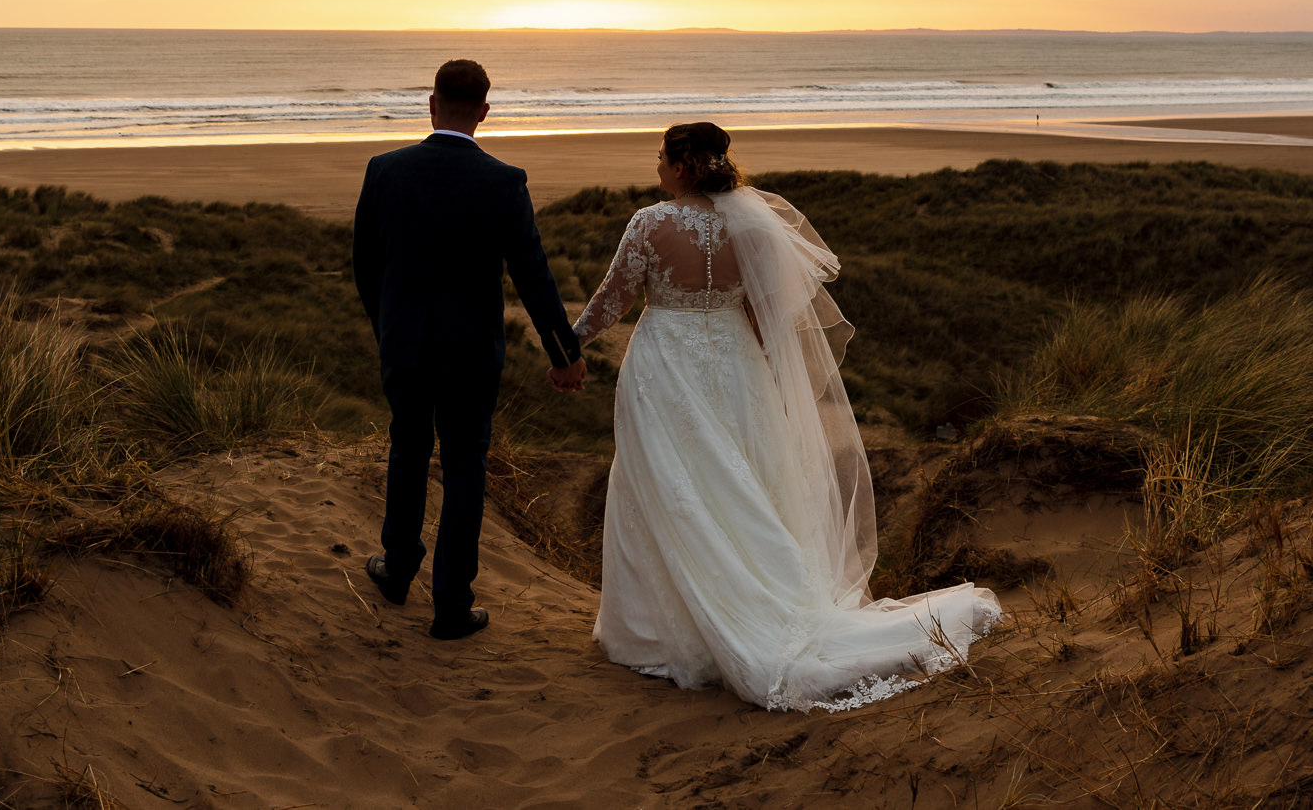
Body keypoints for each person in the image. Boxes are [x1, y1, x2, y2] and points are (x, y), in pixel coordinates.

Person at [573, 122, 1001, 710]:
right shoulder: (750, 223)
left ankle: (659, 630)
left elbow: (611, 301)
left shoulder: (649, 223)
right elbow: (767, 314)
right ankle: (755, 602)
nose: (656, 167)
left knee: (661, 486)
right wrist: (764, 374)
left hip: (665, 369)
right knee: (744, 484)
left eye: (661, 158)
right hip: (735, 367)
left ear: (681, 166)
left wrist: (568, 348)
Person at [353, 59, 587, 640]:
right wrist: (564, 353)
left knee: (407, 449)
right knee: (465, 468)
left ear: (431, 105)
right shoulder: (504, 182)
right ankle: (452, 604)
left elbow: (365, 265)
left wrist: (389, 330)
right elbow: (534, 276)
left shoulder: (385, 171)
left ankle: (398, 568)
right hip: (471, 352)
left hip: (405, 344)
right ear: (484, 111)